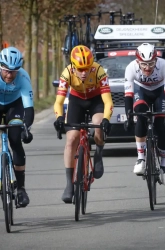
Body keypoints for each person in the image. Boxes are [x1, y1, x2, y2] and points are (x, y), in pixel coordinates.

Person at [54, 45, 113, 203]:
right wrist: (59, 118)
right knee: (72, 139)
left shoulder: (99, 71)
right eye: (80, 69)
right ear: (73, 66)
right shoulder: (66, 73)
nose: (84, 72)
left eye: (87, 68)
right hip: (76, 101)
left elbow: (108, 101)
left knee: (97, 123)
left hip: (96, 101)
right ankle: (69, 184)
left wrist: (106, 119)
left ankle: (99, 153)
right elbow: (59, 102)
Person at [123, 43, 165, 186]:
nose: (147, 67)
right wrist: (128, 116)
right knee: (140, 116)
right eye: (143, 64)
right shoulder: (130, 68)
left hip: (160, 92)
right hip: (142, 92)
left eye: (151, 63)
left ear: (156, 60)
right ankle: (141, 159)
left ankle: (164, 167)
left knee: (160, 125)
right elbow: (128, 94)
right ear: (137, 61)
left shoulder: (164, 66)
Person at [0, 47, 34, 207]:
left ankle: (21, 188)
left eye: (13, 72)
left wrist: (26, 128)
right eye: (6, 71)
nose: (9, 75)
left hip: (15, 106)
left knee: (15, 139)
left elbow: (29, 109)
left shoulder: (23, 78)